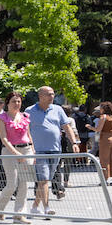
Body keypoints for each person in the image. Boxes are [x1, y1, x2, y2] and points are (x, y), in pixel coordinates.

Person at [26, 87, 78, 216]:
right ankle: (47, 208)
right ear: (40, 96)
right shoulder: (29, 111)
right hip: (38, 151)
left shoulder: (58, 109)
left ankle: (34, 207)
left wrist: (74, 143)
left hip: (55, 150)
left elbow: (67, 127)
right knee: (43, 180)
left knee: (45, 181)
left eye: (53, 94)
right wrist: (30, 147)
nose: (52, 97)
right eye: (48, 94)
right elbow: (26, 130)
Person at [0, 92, 33, 222]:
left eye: (18, 101)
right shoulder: (2, 117)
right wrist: (15, 153)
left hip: (26, 150)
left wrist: (33, 151)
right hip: (9, 151)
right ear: (7, 103)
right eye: (13, 101)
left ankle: (19, 214)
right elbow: (3, 138)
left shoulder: (25, 116)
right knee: (12, 184)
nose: (16, 104)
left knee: (24, 183)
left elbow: (28, 135)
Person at [96, 100, 112, 182]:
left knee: (104, 159)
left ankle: (105, 178)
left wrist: (90, 127)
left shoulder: (103, 117)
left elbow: (98, 129)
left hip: (105, 138)